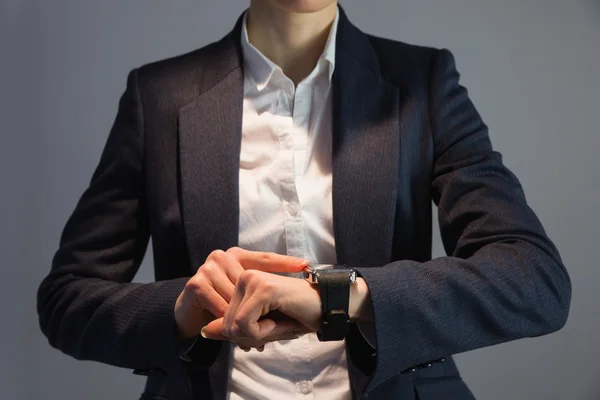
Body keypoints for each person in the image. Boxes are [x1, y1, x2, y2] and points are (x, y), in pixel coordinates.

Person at [36, 1, 572, 399]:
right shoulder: (157, 96)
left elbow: (534, 280)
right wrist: (179, 311)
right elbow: (66, 299)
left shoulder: (423, 84)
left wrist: (343, 297)